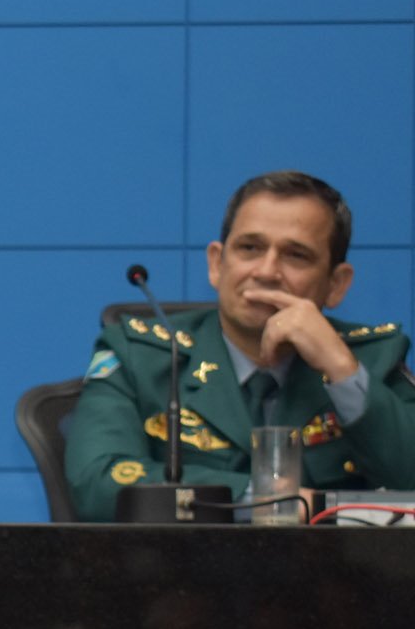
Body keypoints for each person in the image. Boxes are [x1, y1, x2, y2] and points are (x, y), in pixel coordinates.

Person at [67, 169, 415, 521]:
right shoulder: (139, 356)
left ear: (336, 284)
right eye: (250, 248)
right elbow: (98, 483)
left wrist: (341, 370)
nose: (266, 271)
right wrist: (271, 500)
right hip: (178, 558)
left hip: (332, 559)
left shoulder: (372, 360)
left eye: (296, 255)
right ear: (216, 264)